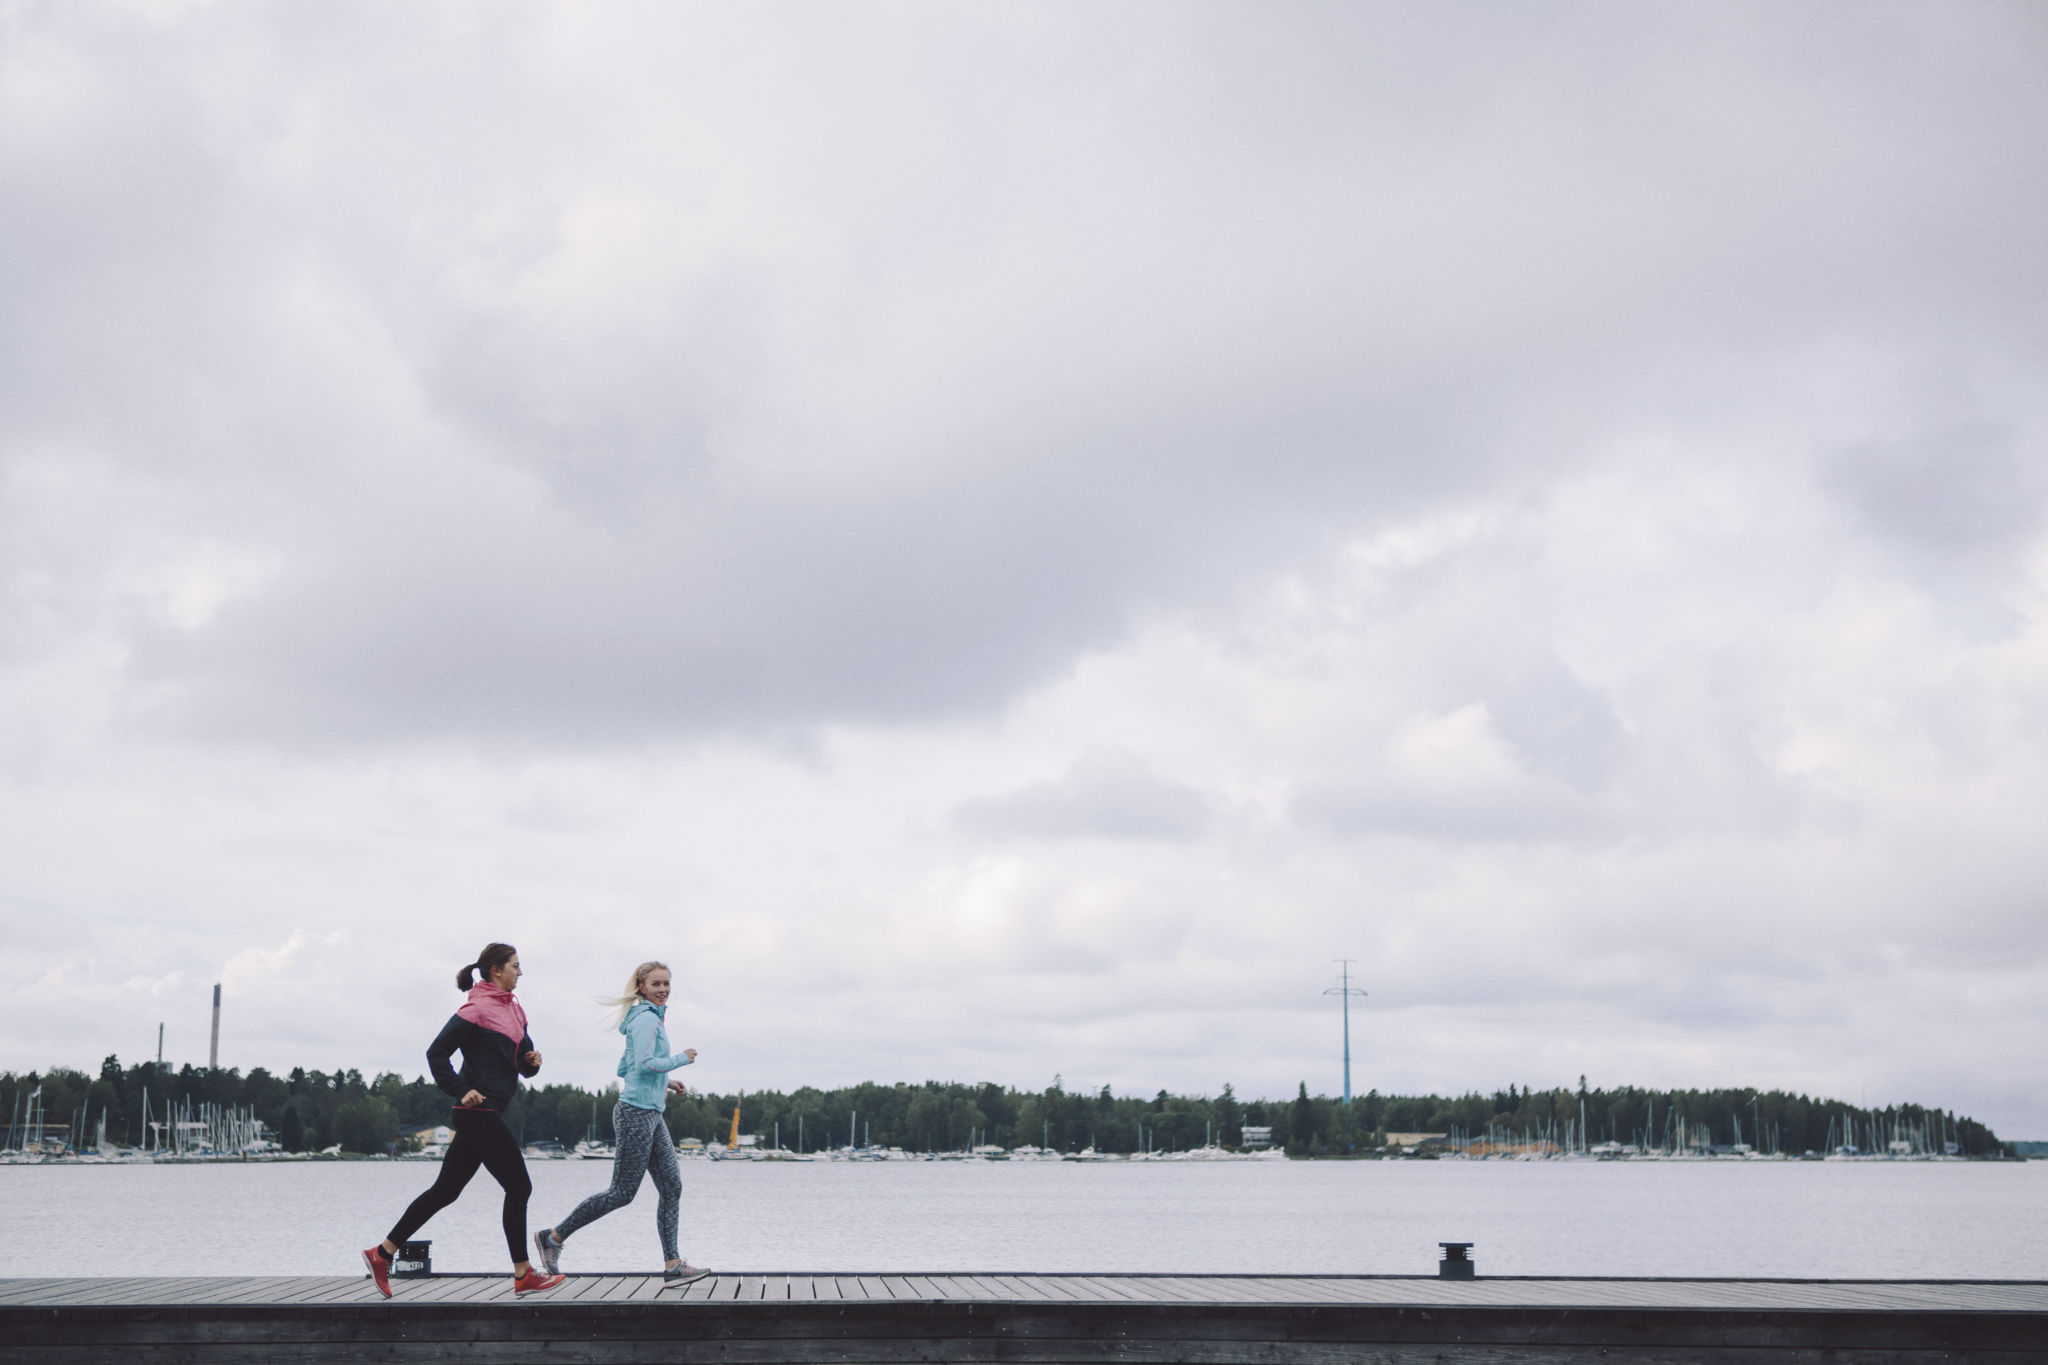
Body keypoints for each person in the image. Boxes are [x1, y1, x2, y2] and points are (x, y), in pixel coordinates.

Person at [362, 942, 565, 1298]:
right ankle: (523, 1273)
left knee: (445, 1191)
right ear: (495, 970)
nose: (520, 972)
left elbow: (519, 1064)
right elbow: (436, 1052)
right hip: (479, 1112)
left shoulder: (515, 1010)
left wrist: (531, 1062)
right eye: (515, 966)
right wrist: (460, 1088)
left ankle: (382, 1254)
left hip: (486, 1114)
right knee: (519, 1187)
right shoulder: (477, 1008)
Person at [533, 960, 709, 1287]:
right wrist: (681, 1058)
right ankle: (552, 1238)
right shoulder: (645, 1019)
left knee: (672, 1186)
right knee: (621, 1193)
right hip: (635, 1114)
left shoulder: (648, 1019)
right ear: (641, 987)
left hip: (651, 1113)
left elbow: (625, 1067)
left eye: (667, 983)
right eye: (656, 984)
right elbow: (644, 1062)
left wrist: (665, 1082)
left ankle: (672, 1264)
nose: (663, 989)